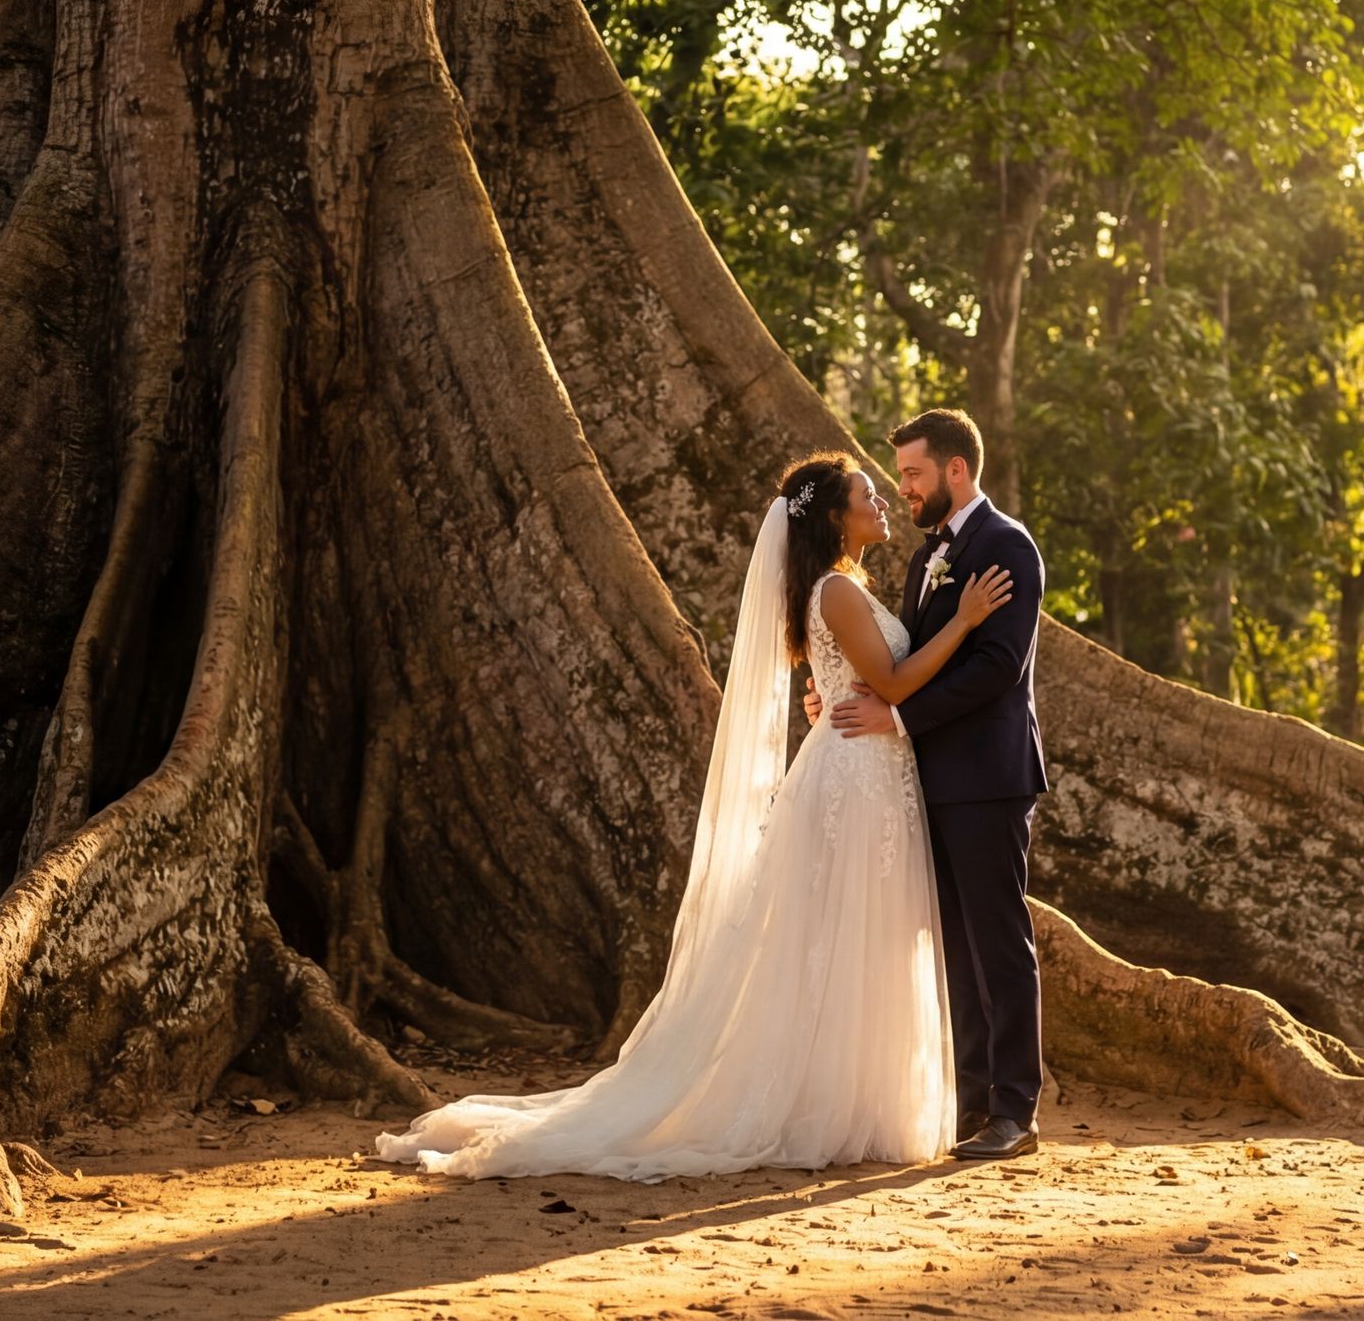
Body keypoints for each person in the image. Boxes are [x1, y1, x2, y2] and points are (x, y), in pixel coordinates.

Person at [370, 453, 1013, 1180]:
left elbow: (861, 679)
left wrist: (839, 695)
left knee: (857, 935)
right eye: (869, 493)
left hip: (869, 771)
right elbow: (893, 680)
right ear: (837, 515)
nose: (884, 500)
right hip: (856, 781)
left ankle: (860, 1098)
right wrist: (963, 620)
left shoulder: (845, 585)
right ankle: (833, 1104)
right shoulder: (835, 589)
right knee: (845, 933)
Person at [819, 407, 1049, 1161]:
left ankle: (1016, 1110)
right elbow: (907, 658)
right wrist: (841, 691)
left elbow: (996, 667)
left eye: (914, 473)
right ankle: (972, 1105)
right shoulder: (927, 559)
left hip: (987, 776)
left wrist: (900, 718)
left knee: (999, 942)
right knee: (954, 947)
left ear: (957, 469)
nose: (904, 488)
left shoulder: (1007, 545)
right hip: (927, 780)